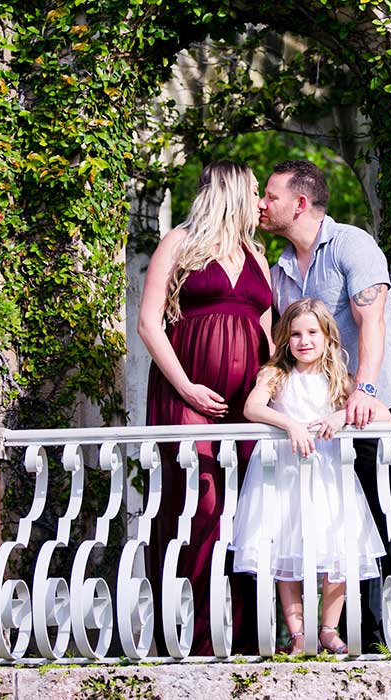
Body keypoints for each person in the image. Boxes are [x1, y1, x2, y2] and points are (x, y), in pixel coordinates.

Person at [258, 159, 391, 651]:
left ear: (301, 203)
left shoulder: (352, 244)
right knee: (342, 527)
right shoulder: (280, 270)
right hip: (319, 421)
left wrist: (364, 393)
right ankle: (341, 634)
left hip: (375, 406)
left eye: (270, 196)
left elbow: (371, 322)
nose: (262, 205)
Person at [138, 161, 272, 656]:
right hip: (187, 392)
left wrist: (277, 390)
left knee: (247, 510)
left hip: (249, 404)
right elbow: (150, 324)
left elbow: (268, 331)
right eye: (256, 192)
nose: (262, 203)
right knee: (200, 504)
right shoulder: (179, 242)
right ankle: (192, 635)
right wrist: (188, 387)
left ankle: (243, 634)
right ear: (232, 192)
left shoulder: (256, 253)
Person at [231, 298, 387, 655]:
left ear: (327, 337)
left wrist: (343, 416)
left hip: (328, 474)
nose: (304, 341)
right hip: (283, 473)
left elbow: (382, 415)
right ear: (285, 338)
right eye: (296, 334)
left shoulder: (338, 378)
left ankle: (329, 628)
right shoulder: (275, 374)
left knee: (339, 547)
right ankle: (299, 634)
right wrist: (290, 425)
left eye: (312, 332)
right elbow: (252, 407)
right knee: (285, 550)